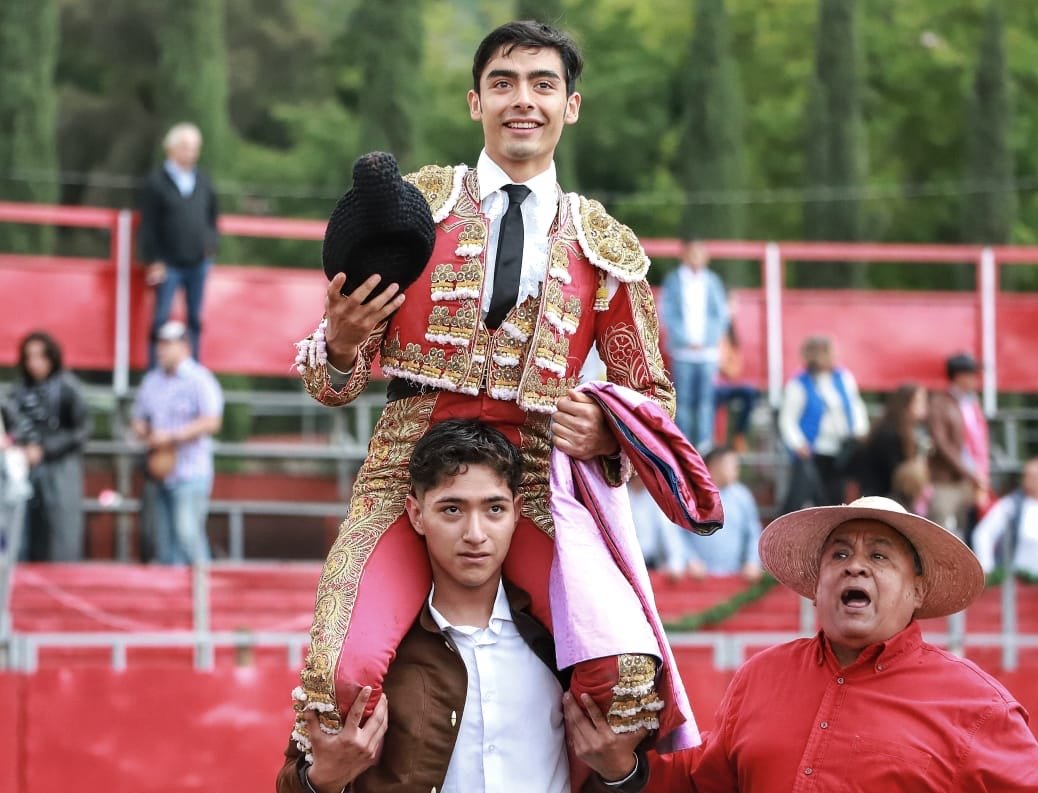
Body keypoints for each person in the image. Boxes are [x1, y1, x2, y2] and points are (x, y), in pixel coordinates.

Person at [290, 19, 674, 749]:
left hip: (531, 477)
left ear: (570, 106)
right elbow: (331, 383)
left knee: (623, 680)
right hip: (407, 469)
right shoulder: (414, 210)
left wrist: (606, 430)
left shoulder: (605, 246)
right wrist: (339, 343)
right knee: (337, 678)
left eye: (542, 84)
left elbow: (652, 397)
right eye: (503, 83)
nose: (522, 99)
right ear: (476, 102)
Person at [565, 496, 1038, 791]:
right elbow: (704, 782)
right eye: (840, 554)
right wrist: (621, 768)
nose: (855, 566)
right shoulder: (762, 676)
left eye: (880, 556)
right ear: (816, 585)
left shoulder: (977, 705)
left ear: (917, 591)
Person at [277, 419, 645, 793]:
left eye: (494, 509)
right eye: (452, 510)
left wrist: (620, 773)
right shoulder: (376, 650)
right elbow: (295, 776)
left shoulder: (562, 644)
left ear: (518, 511)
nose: (475, 534)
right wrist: (325, 780)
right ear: (416, 514)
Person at [130, 320, 223, 564]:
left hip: (190, 471)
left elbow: (211, 421)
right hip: (160, 472)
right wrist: (145, 431)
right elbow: (138, 418)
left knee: (187, 535)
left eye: (167, 344)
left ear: (184, 347)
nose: (161, 349)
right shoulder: (152, 381)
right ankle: (177, 588)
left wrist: (171, 436)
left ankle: (202, 585)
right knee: (164, 543)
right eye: (160, 344)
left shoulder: (200, 379)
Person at [4, 331, 91, 561]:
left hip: (61, 470)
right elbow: (11, 429)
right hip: (24, 471)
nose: (35, 363)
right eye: (30, 357)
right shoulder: (18, 392)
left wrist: (45, 449)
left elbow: (81, 431)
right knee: (21, 535)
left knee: (61, 535)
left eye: (41, 356)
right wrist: (19, 448)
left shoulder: (68, 389)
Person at [139, 122, 219, 365]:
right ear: (171, 148)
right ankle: (156, 369)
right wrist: (153, 259)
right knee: (161, 318)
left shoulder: (203, 180)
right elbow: (148, 224)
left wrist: (210, 246)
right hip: (167, 263)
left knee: (194, 318)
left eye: (194, 147)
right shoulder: (156, 182)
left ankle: (191, 367)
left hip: (197, 261)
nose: (191, 152)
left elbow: (212, 217)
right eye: (185, 146)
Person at [778, 335, 869, 508]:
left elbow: (855, 405)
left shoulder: (843, 377)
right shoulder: (799, 383)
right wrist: (798, 444)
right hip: (813, 451)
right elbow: (788, 419)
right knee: (803, 497)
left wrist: (859, 429)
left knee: (835, 497)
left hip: (840, 449)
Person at [659, 239, 731, 451]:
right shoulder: (674, 280)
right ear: (684, 256)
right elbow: (667, 313)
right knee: (683, 400)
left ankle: (705, 446)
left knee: (706, 401)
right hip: (682, 352)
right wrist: (686, 339)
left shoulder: (712, 281)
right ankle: (684, 444)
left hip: (708, 353)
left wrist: (707, 339)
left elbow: (720, 314)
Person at [928, 351, 990, 541]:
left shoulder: (972, 403)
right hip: (946, 481)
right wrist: (968, 471)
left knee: (967, 534)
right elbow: (942, 444)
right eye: (971, 374)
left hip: (970, 480)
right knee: (941, 533)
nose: (975, 379)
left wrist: (979, 473)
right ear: (959, 376)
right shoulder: (940, 404)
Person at [683, 447, 763, 581]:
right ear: (715, 466)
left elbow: (754, 533)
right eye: (732, 465)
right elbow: (678, 534)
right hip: (696, 577)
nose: (736, 470)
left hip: (735, 577)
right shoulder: (690, 495)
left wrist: (752, 562)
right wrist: (690, 559)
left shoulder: (742, 496)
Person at [858, 383, 930, 511]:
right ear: (906, 403)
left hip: (889, 499)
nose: (924, 406)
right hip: (881, 500)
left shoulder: (904, 430)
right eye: (919, 401)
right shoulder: (889, 432)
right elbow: (893, 474)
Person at [713, 315, 760, 453]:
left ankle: (739, 435)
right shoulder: (709, 341)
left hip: (725, 386)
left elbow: (734, 371)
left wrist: (721, 364)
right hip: (710, 387)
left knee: (750, 392)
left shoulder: (731, 343)